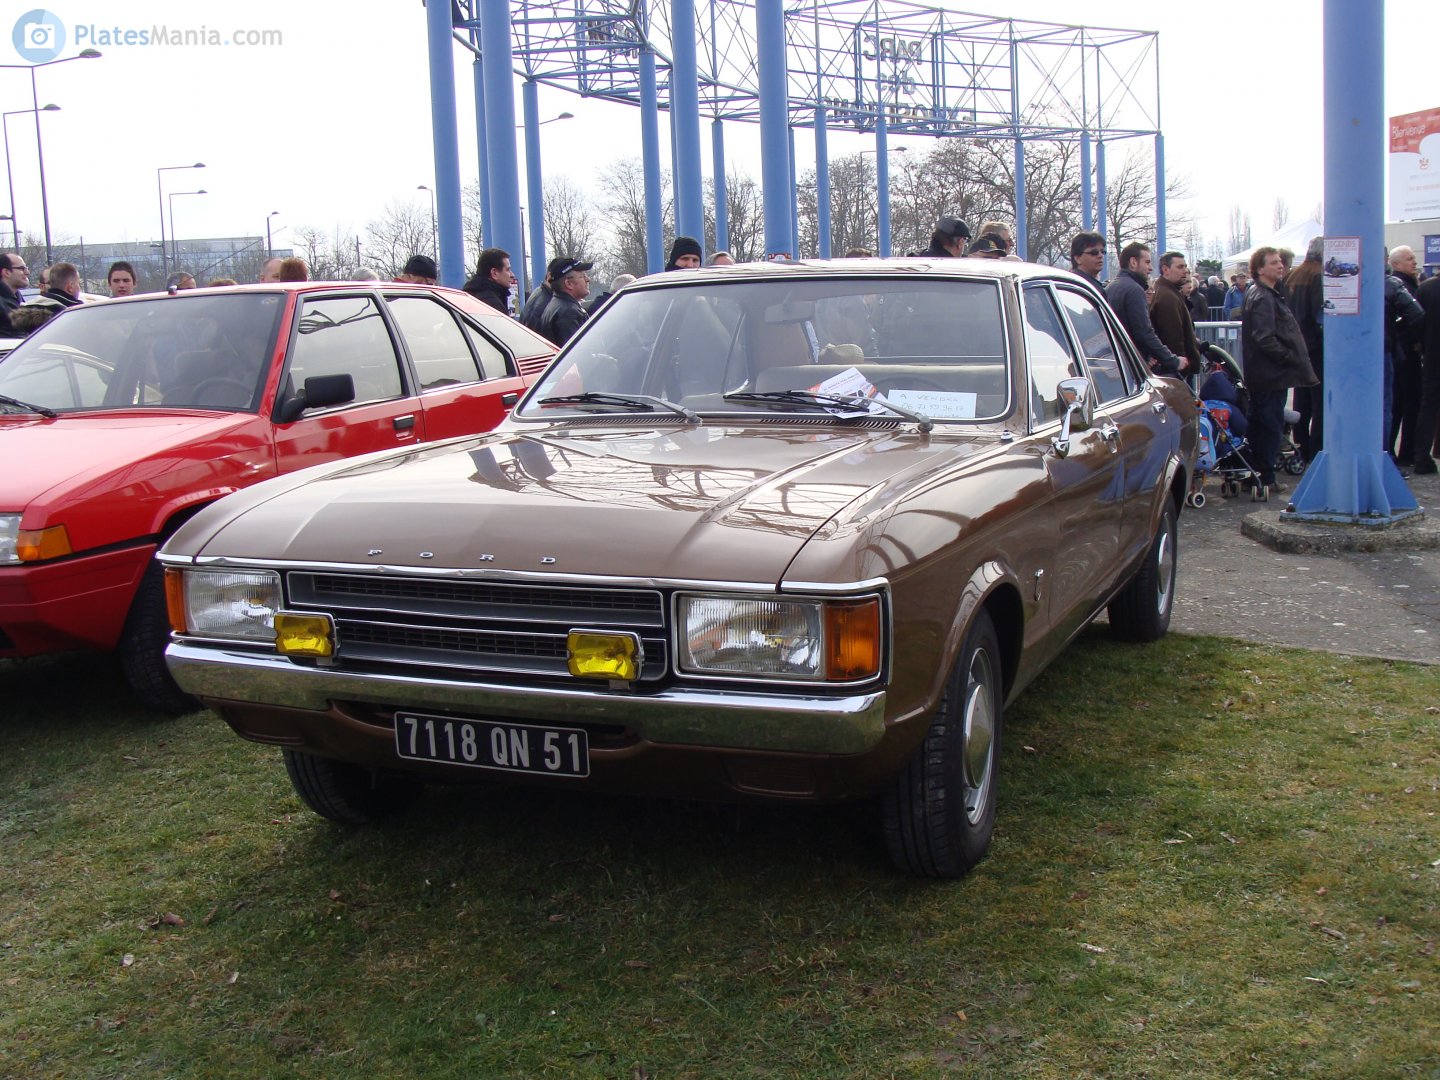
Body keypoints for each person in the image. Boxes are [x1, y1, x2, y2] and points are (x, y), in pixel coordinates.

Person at [1240, 246, 1318, 497]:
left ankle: (1258, 474)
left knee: (1262, 424)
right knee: (1269, 426)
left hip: (1265, 374)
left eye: (1280, 262)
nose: (1280, 266)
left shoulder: (1263, 293)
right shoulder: (1263, 296)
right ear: (1260, 269)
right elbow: (1264, 337)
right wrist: (1288, 357)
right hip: (1270, 375)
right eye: (1273, 262)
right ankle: (1265, 476)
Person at [1107, 242, 1185, 376]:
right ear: (1133, 262)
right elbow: (1144, 333)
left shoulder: (1111, 287)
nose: (1150, 268)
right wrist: (1173, 360)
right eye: (1147, 262)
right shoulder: (1134, 290)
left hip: (1118, 365)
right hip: (1132, 367)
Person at [1382, 251, 1425, 465]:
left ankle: (1387, 449)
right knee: (1401, 403)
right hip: (1397, 350)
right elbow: (1417, 315)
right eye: (1410, 259)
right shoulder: (1395, 285)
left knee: (1393, 404)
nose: (1415, 262)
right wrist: (1417, 340)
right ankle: (1401, 453)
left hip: (1378, 350)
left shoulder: (1350, 283)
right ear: (1394, 263)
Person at [1286, 237, 1325, 461]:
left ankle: (1301, 445)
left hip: (1297, 346)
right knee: (1319, 401)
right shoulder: (1317, 276)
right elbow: (1319, 314)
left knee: (1302, 401)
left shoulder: (1294, 274)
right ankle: (1316, 447)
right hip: (1315, 346)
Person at [1148, 251, 1202, 375]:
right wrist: (1182, 367)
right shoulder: (1167, 297)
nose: (1185, 271)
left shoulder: (1168, 291)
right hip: (1174, 369)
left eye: (1185, 266)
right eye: (1180, 267)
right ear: (1165, 269)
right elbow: (1173, 338)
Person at [1414, 267, 1440, 474]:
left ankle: (1421, 456)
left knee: (1428, 405)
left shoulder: (1425, 289)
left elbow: (1416, 321)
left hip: (1432, 354)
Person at [538, 256, 593, 346]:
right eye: (583, 276)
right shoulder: (568, 313)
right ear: (569, 284)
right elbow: (578, 350)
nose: (588, 279)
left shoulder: (557, 304)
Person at [463, 248, 516, 313]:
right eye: (507, 270)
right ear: (494, 273)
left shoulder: (467, 297)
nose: (512, 275)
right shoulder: (492, 305)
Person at [0, 252, 31, 337]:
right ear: (6, 272)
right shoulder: (2, 305)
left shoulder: (17, 298)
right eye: (22, 268)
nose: (27, 272)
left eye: (26, 268)